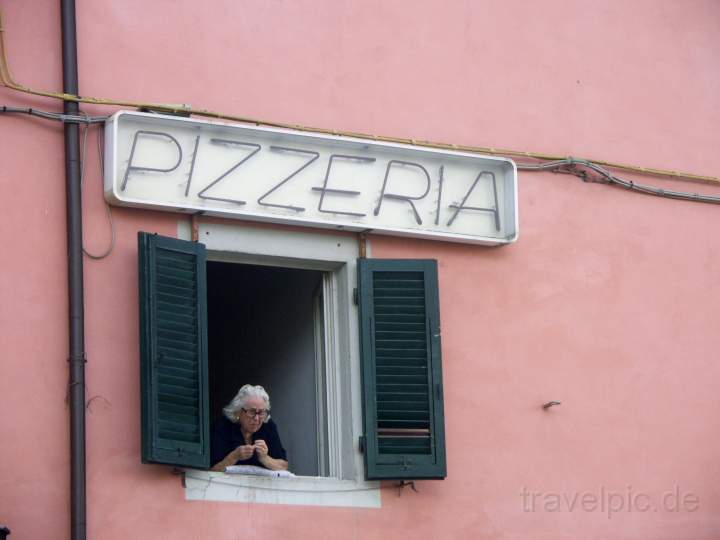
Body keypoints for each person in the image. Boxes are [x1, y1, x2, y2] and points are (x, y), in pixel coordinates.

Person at [210, 384, 288, 472]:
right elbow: (212, 470)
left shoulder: (268, 426)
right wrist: (234, 456)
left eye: (261, 412)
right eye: (252, 412)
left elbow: (283, 466)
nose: (257, 418)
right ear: (238, 411)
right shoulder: (222, 426)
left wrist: (265, 458)